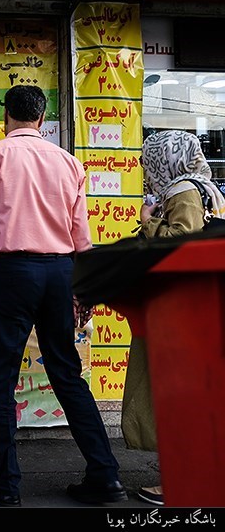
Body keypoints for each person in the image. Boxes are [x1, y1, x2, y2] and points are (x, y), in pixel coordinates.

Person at [0, 85, 126, 507]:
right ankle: (106, 476)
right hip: (60, 272)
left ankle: (6, 482)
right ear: (41, 116)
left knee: (1, 379)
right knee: (67, 374)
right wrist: (83, 293)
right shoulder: (69, 163)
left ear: (6, 115)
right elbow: (81, 235)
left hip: (13, 274)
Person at [126, 129, 225, 506]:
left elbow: (181, 243)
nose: (145, 168)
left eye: (149, 160)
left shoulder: (182, 192)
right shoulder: (206, 189)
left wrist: (147, 221)